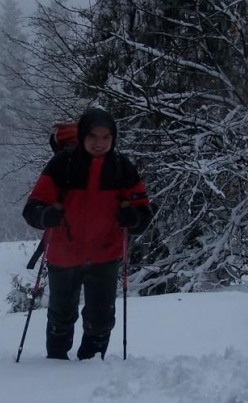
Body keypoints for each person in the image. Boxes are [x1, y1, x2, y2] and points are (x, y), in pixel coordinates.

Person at [22, 107, 152, 360]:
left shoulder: (121, 167)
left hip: (105, 255)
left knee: (101, 319)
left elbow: (143, 213)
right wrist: (44, 215)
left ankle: (91, 369)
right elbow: (32, 207)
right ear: (82, 136)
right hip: (63, 254)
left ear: (113, 139)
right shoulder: (63, 164)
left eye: (106, 138)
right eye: (93, 136)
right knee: (61, 316)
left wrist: (133, 219)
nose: (99, 143)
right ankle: (55, 364)